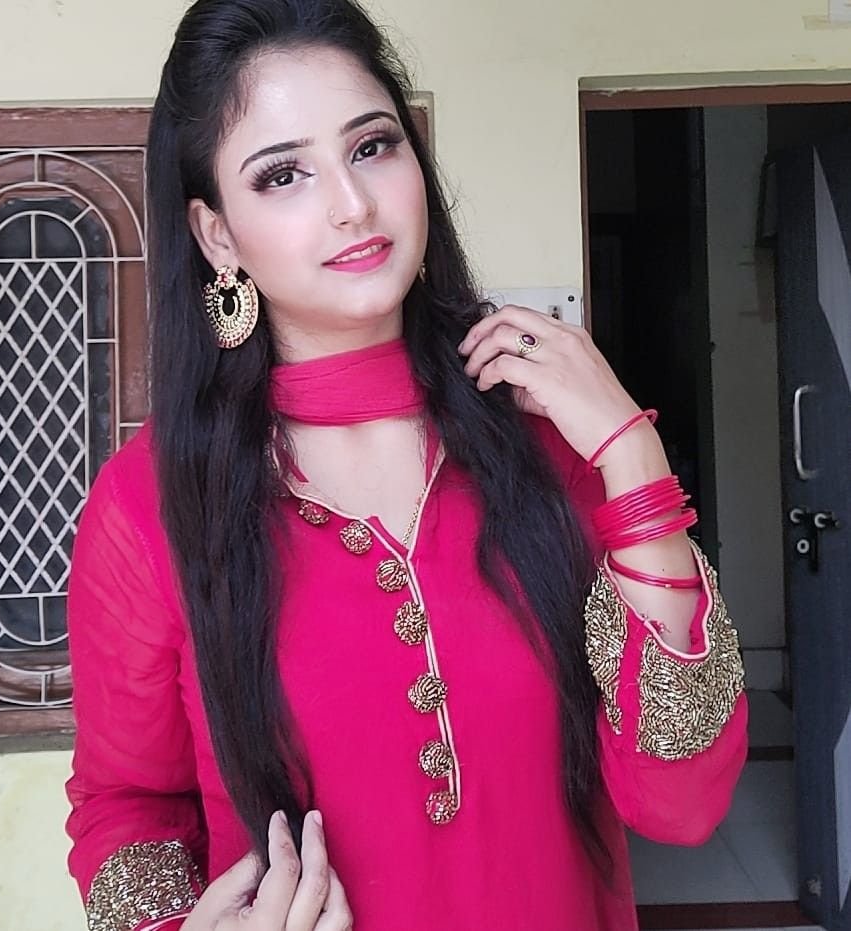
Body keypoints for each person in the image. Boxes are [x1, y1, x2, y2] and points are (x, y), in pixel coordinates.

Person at [64, 0, 748, 928]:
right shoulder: (147, 504)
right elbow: (130, 805)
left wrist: (633, 455)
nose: (352, 203)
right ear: (216, 233)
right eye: (283, 174)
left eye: (372, 146)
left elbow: (681, 803)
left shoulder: (547, 435)